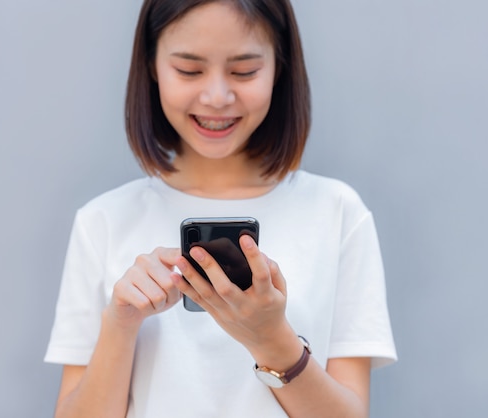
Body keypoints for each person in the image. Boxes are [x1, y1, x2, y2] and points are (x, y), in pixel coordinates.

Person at [44, 0, 397, 417]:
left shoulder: (337, 214)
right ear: (152, 67)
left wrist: (272, 340)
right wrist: (121, 324)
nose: (216, 96)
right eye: (189, 70)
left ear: (279, 68)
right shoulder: (102, 222)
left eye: (244, 71)